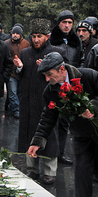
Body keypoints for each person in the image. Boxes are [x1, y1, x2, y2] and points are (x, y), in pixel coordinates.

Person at [27, 51, 98, 197]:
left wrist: (93, 107)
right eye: (44, 75)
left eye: (49, 74)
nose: (47, 79)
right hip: (81, 135)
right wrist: (37, 141)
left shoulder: (88, 76)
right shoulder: (50, 92)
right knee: (82, 174)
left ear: (62, 69)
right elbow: (48, 117)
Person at [13, 18, 66, 185]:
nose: (36, 39)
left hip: (47, 102)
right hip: (28, 102)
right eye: (34, 36)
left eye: (40, 36)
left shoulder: (56, 52)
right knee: (30, 134)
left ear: (47, 36)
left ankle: (50, 171)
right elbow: (20, 76)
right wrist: (19, 67)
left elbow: (62, 77)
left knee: (49, 136)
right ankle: (32, 169)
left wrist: (46, 66)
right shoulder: (26, 52)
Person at [49, 10, 82, 165]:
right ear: (59, 23)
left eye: (70, 22)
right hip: (54, 83)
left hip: (70, 84)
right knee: (50, 120)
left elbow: (80, 61)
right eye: (64, 22)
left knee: (64, 122)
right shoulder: (52, 40)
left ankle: (61, 153)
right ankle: (50, 152)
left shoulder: (76, 41)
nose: (67, 25)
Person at [4, 25, 30, 119]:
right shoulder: (6, 44)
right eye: (13, 33)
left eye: (17, 33)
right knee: (12, 92)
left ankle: (16, 108)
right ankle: (16, 110)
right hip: (11, 72)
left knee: (19, 92)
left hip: (22, 72)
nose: (15, 35)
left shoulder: (26, 43)